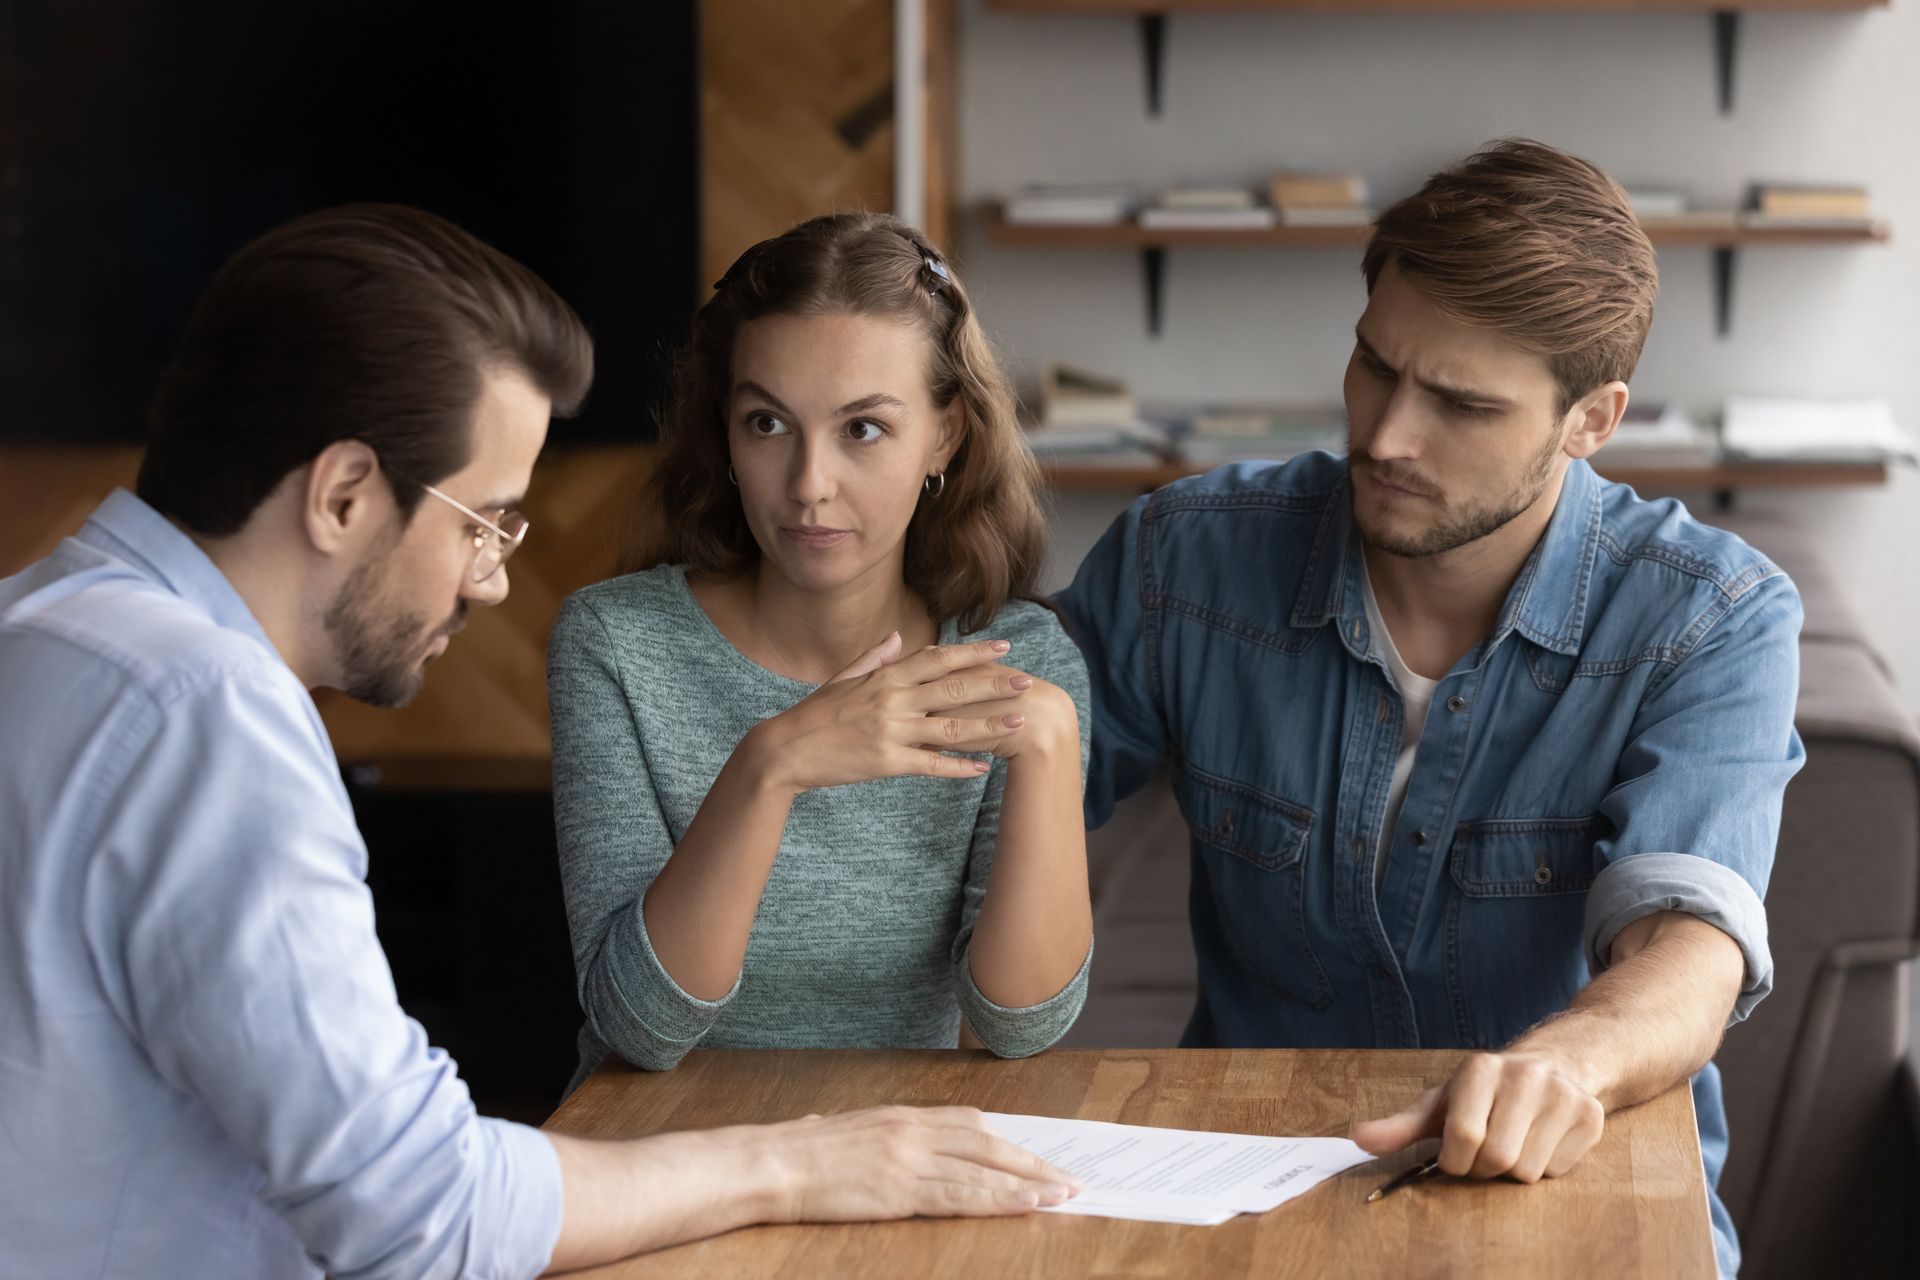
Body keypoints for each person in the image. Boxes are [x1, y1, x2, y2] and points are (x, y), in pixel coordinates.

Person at [0, 204, 1080, 1280]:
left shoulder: (43, 625)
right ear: (341, 495)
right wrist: (793, 1166)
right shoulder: (207, 719)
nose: (493, 576)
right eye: (483, 518)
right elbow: (426, 1211)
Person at [1055, 140, 1801, 1278]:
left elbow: (1691, 936)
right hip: (1253, 1203)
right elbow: (966, 814)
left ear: (1590, 419)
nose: (1386, 435)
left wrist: (1569, 1061)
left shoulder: (1711, 616)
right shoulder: (1184, 560)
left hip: (1575, 1207)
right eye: (1374, 366)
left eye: (1460, 403)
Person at [547, 211, 1094, 1085]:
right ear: (724, 427)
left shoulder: (1017, 663)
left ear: (945, 435)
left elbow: (1020, 1026)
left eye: (863, 429)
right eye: (768, 424)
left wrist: (1053, 742)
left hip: (897, 1158)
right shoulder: (616, 643)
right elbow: (640, 1029)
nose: (808, 485)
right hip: (664, 1158)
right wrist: (777, 761)